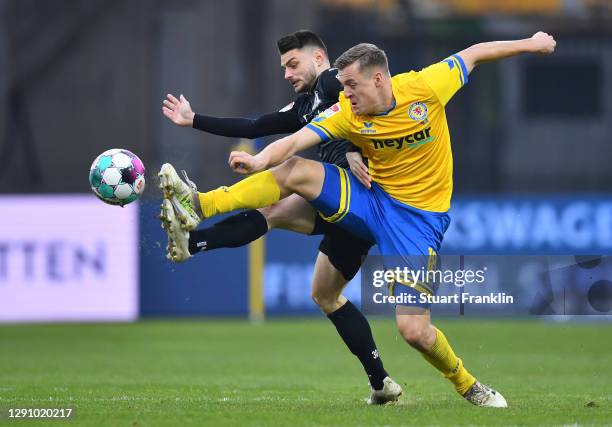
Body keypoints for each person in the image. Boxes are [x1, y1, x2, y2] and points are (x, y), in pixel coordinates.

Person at [159, 32, 556, 407]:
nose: (344, 94)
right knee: (295, 170)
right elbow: (295, 139)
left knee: (414, 332)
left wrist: (532, 44)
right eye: (342, 87)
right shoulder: (345, 112)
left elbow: (475, 52)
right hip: (370, 199)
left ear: (379, 79)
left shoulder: (424, 87)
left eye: (350, 86)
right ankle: (202, 205)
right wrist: (260, 159)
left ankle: (469, 385)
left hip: (417, 223)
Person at [161, 30, 401, 405]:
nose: (287, 74)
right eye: (284, 68)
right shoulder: (306, 104)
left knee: (291, 170)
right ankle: (381, 383)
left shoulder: (336, 80)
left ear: (320, 58)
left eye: (293, 64)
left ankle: (200, 205)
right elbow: (256, 126)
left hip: (364, 202)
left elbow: (365, 107)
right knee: (323, 293)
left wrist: (353, 148)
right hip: (336, 203)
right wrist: (194, 120)